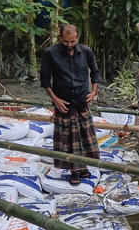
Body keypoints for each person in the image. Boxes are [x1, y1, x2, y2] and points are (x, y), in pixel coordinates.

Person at [40, 24, 101, 185]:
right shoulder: (50, 53)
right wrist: (55, 99)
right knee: (67, 139)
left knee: (84, 136)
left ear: (77, 38)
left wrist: (93, 92)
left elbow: (95, 73)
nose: (69, 45)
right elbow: (45, 80)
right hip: (64, 103)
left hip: (82, 101)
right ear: (60, 38)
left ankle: (82, 166)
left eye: (72, 41)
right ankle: (74, 171)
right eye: (66, 41)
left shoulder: (86, 51)